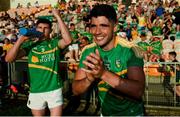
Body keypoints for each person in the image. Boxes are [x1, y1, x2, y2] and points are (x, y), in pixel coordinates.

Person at [72, 4, 145, 116]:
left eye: (103, 26)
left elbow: (138, 91)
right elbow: (75, 90)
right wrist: (89, 79)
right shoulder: (88, 51)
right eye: (93, 26)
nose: (97, 32)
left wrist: (103, 73)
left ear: (115, 27)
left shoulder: (130, 50)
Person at [5, 9, 72, 116]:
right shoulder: (30, 46)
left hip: (54, 89)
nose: (42, 30)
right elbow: (8, 59)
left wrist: (58, 17)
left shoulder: (55, 43)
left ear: (50, 31)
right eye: (40, 28)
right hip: (36, 90)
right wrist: (21, 40)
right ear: (36, 29)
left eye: (46, 28)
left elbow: (68, 40)